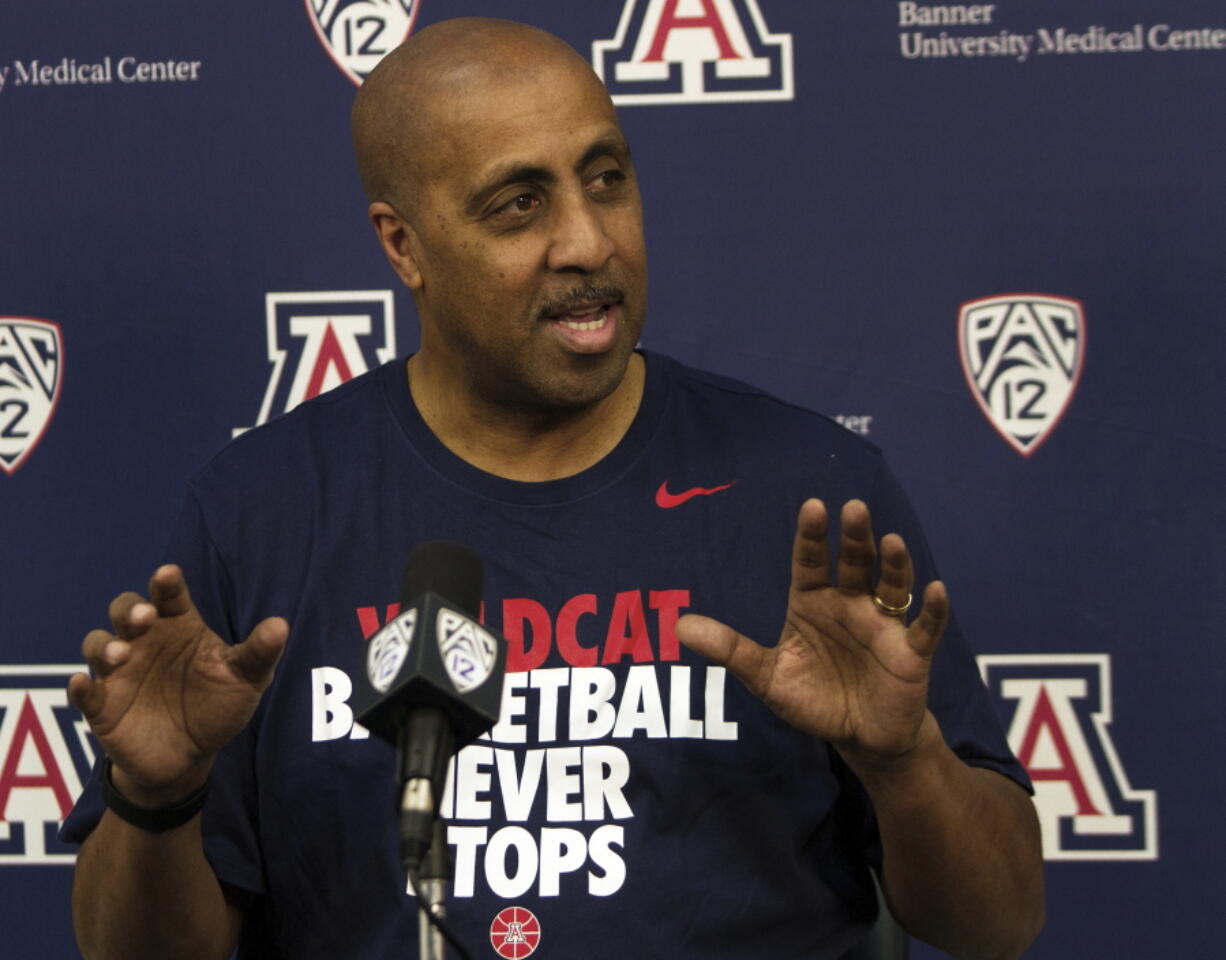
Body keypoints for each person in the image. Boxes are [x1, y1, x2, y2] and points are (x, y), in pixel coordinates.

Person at [63, 17, 1043, 960]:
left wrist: (901, 762)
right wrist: (157, 797)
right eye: (518, 204)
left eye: (606, 180)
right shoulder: (261, 510)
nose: (589, 241)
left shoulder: (808, 494)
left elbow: (994, 927)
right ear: (402, 246)